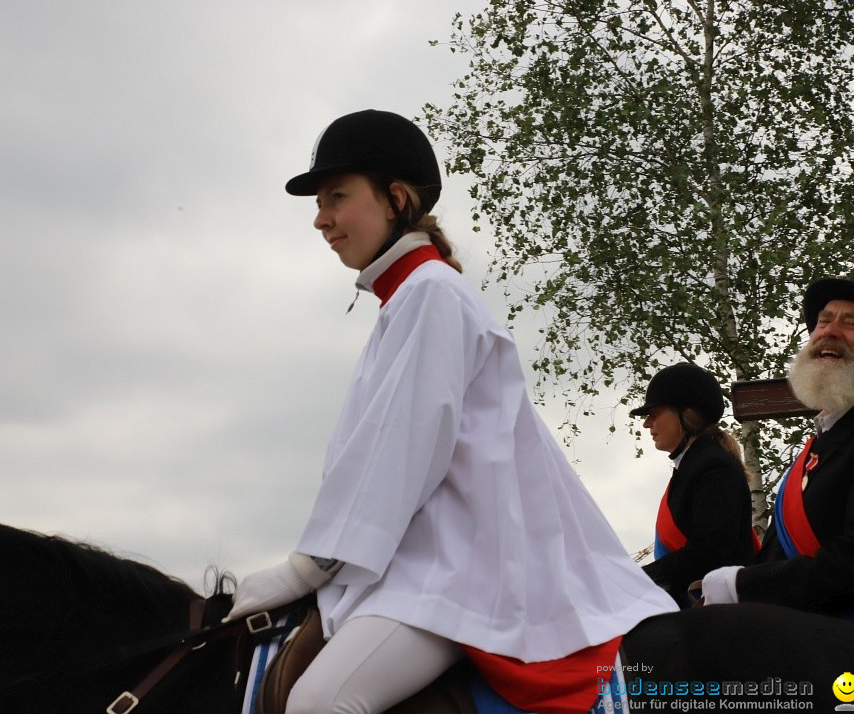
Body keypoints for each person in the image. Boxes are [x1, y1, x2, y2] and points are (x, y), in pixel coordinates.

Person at [223, 110, 676, 714]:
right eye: (320, 203)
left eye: (336, 197)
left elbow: (400, 453)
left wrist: (307, 569)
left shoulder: (431, 293)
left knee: (319, 705)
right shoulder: (407, 299)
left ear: (396, 198)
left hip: (457, 570)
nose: (321, 219)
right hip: (422, 562)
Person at [697, 264, 854, 641]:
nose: (829, 332)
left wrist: (743, 585)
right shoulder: (828, 439)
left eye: (851, 323)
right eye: (824, 320)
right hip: (806, 643)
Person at [630, 362, 755, 608]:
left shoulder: (713, 467)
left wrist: (637, 580)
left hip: (718, 615)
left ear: (685, 414)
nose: (647, 424)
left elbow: (708, 554)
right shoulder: (695, 464)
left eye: (654, 413)